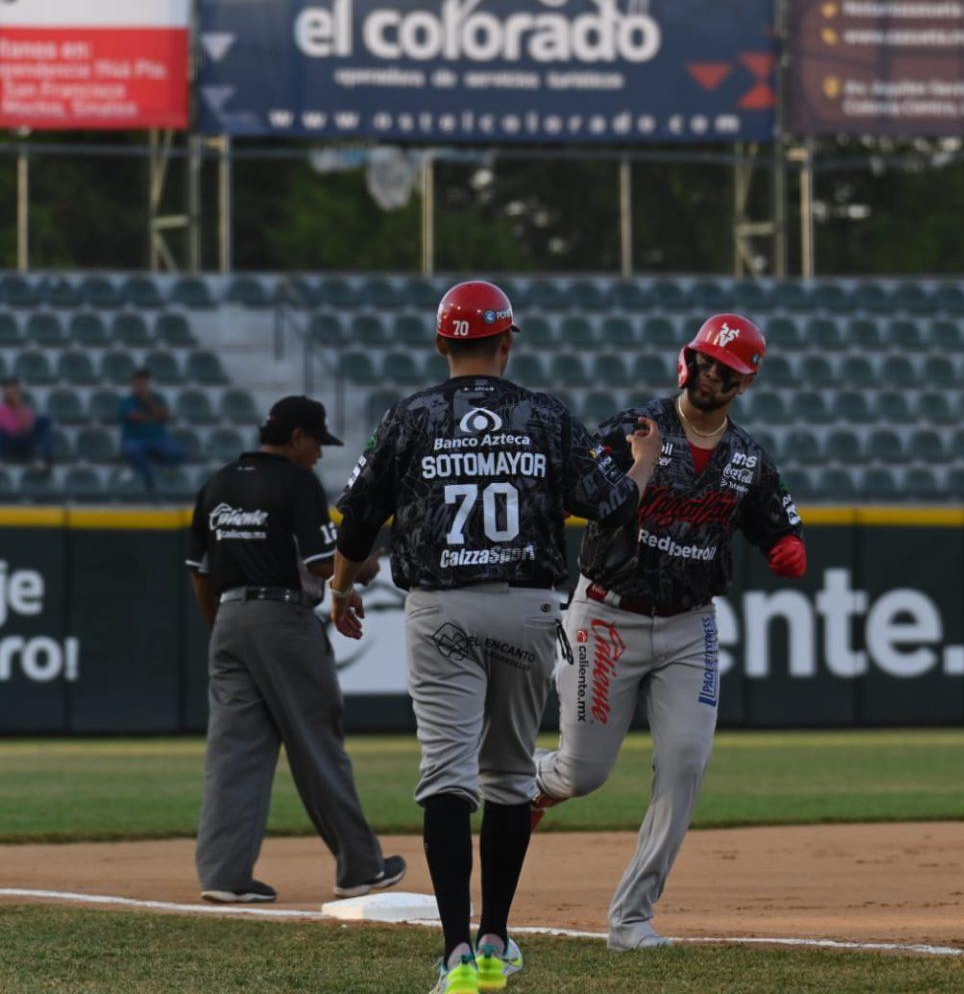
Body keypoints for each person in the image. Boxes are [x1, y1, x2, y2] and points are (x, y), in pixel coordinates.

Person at [329, 281, 660, 994]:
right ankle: (495, 940)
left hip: (441, 608)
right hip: (527, 607)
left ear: (442, 344)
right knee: (510, 776)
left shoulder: (411, 415)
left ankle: (453, 954)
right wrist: (646, 459)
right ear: (508, 340)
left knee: (445, 775)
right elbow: (608, 505)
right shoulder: (544, 415)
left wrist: (341, 585)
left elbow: (357, 520)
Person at [532, 314, 807, 952]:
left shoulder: (747, 457)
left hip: (690, 624)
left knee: (686, 761)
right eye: (708, 362)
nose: (714, 375)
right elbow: (578, 491)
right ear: (689, 361)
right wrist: (636, 468)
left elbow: (778, 522)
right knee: (583, 772)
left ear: (744, 382)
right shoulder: (637, 429)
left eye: (728, 370)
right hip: (606, 612)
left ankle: (632, 919)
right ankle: (529, 785)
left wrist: (788, 544)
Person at [187, 395, 404, 905]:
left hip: (229, 619)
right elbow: (326, 563)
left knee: (233, 754)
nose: (318, 456)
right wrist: (365, 568)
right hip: (282, 619)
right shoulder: (294, 481)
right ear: (298, 438)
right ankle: (360, 867)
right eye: (317, 444)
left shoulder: (218, 481)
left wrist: (223, 628)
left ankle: (224, 874)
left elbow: (198, 573)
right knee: (317, 744)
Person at [120, 368, 187, 491]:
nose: (141, 386)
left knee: (178, 452)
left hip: (158, 438)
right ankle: (148, 474)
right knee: (132, 451)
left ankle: (161, 469)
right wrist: (153, 415)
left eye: (144, 383)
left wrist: (149, 402)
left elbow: (165, 415)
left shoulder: (157, 398)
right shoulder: (127, 401)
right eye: (138, 383)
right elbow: (135, 416)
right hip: (136, 439)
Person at [0, 379, 55, 467]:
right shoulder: (2, 411)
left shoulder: (26, 409)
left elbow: (29, 429)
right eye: (9, 392)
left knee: (45, 420)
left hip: (25, 443)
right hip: (9, 444)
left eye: (14, 392)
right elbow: (11, 431)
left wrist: (19, 407)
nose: (11, 395)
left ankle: (47, 460)